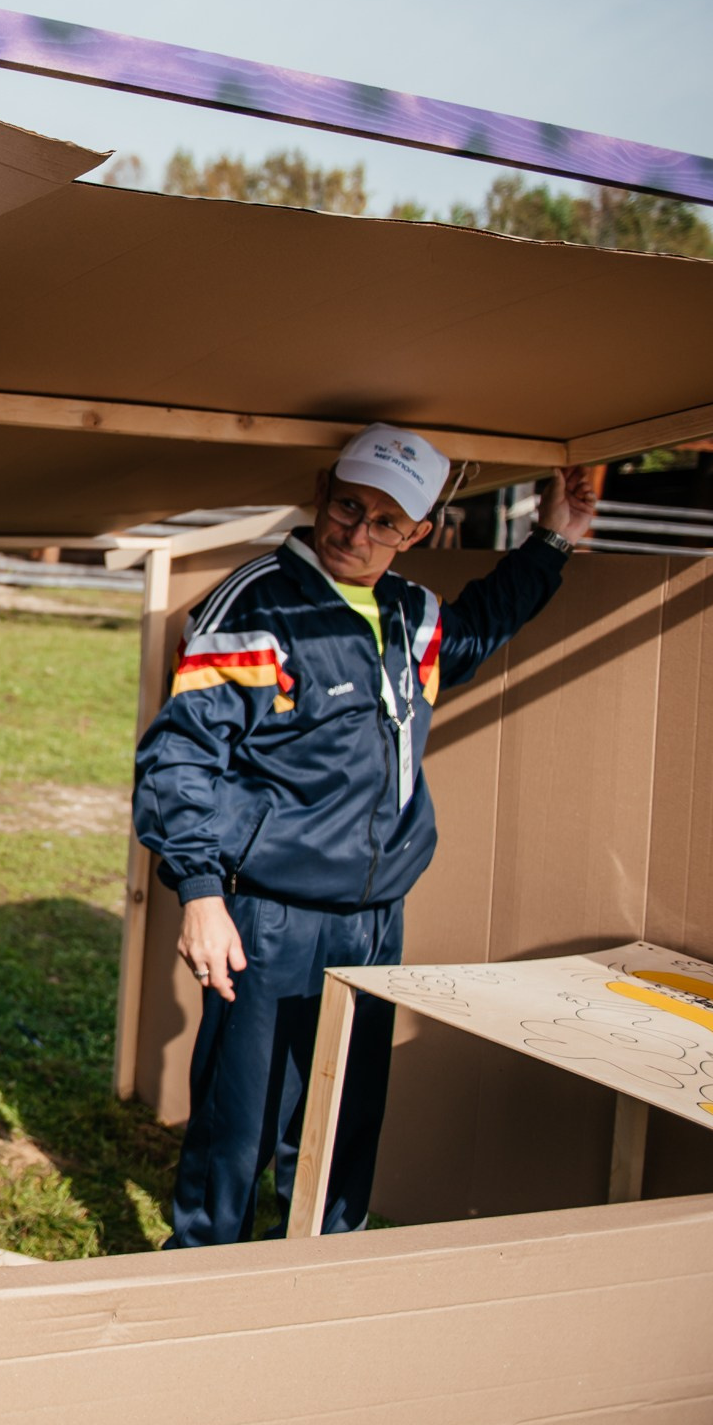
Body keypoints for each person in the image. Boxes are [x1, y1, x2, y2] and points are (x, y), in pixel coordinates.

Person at [134, 425, 598, 1247]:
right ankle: (200, 1274)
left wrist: (555, 538)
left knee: (344, 1111)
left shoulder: (412, 614)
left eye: (387, 521)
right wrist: (201, 894)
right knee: (241, 1120)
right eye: (349, 506)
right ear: (322, 491)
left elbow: (480, 628)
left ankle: (326, 1265)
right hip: (267, 914)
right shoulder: (255, 605)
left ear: (420, 533)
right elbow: (178, 759)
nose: (358, 532)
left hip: (375, 917)